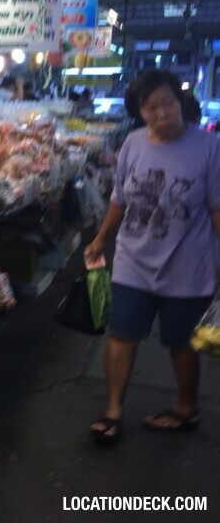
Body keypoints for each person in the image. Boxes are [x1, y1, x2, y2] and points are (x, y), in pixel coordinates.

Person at [84, 70, 220, 444]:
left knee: (181, 343)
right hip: (132, 262)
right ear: (140, 112)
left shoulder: (210, 148)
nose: (162, 113)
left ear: (181, 103)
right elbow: (120, 200)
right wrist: (99, 239)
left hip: (188, 267)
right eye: (151, 107)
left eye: (168, 104)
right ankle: (112, 410)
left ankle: (185, 407)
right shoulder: (131, 144)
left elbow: (216, 211)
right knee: (121, 335)